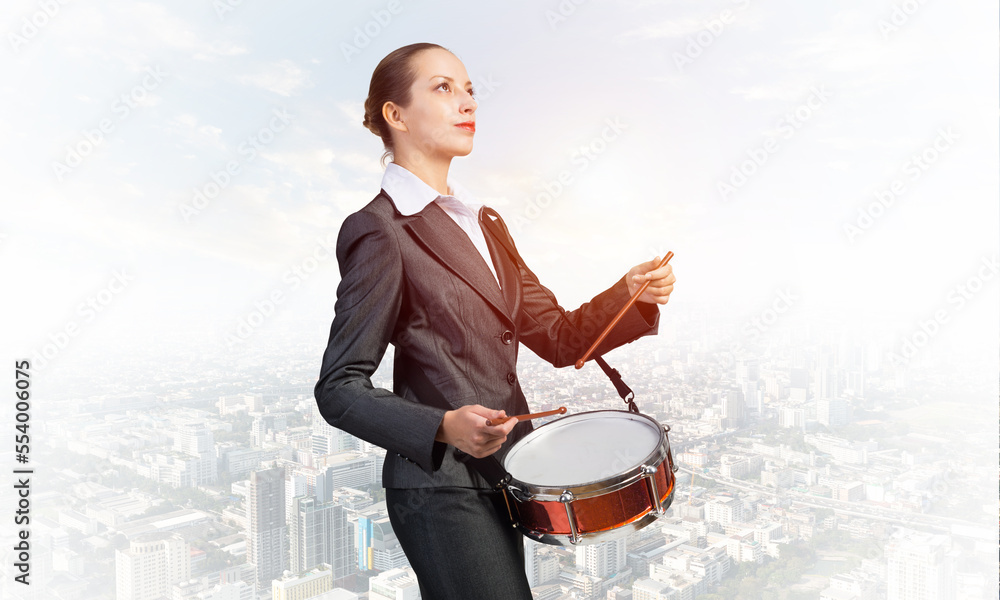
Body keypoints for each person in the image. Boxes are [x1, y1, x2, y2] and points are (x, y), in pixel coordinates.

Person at [314, 42, 676, 599]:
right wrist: (442, 426)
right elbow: (338, 389)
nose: (467, 102)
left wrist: (630, 296)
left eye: (469, 90)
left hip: (507, 476)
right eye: (443, 88)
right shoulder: (380, 230)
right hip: (438, 487)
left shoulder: (486, 225)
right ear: (396, 115)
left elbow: (560, 338)